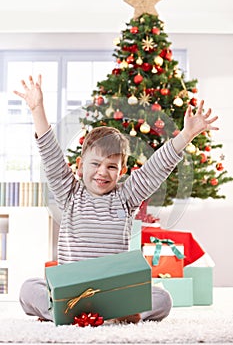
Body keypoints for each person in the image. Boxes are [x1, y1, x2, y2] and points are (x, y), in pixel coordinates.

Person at [14, 75, 218, 324]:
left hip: (114, 295)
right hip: (72, 294)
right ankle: (65, 312)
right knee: (28, 289)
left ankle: (114, 314)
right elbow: (51, 155)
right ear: (80, 166)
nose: (102, 172)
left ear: (121, 172)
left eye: (111, 166)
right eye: (96, 164)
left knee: (162, 298)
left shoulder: (125, 197)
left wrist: (186, 135)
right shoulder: (69, 193)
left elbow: (156, 168)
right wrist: (37, 109)